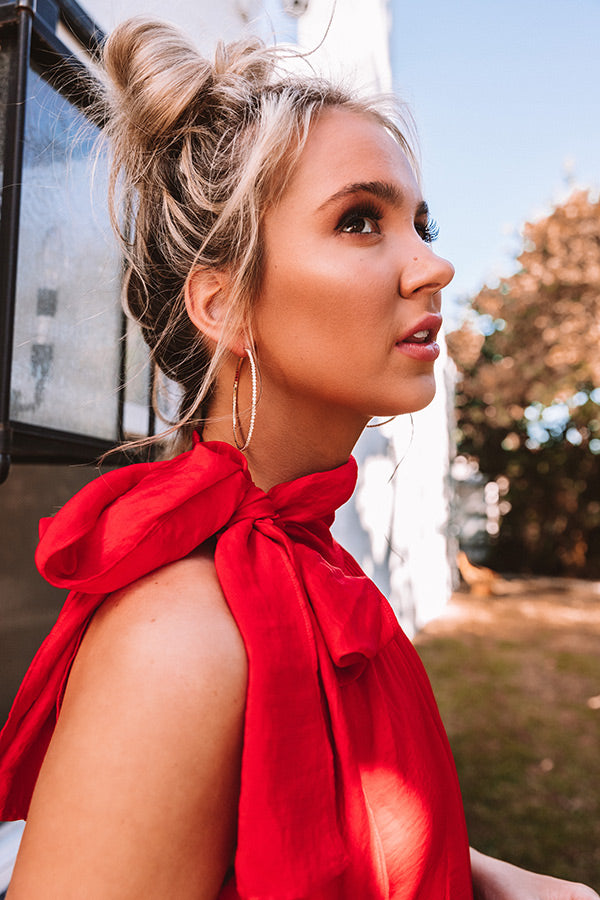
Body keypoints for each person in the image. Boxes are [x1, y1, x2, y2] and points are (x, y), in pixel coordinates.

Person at [0, 17, 597, 900]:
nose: (434, 265)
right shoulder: (181, 639)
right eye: (362, 221)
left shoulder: (305, 562)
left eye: (420, 222)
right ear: (224, 304)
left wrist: (496, 883)